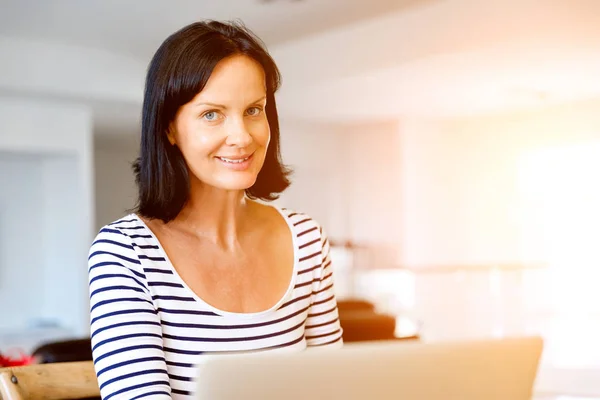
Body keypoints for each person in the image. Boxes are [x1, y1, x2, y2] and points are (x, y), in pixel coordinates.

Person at [88, 20, 343, 400]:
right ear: (170, 128)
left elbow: (336, 388)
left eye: (254, 110)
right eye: (212, 114)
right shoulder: (125, 253)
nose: (242, 136)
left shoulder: (306, 240)